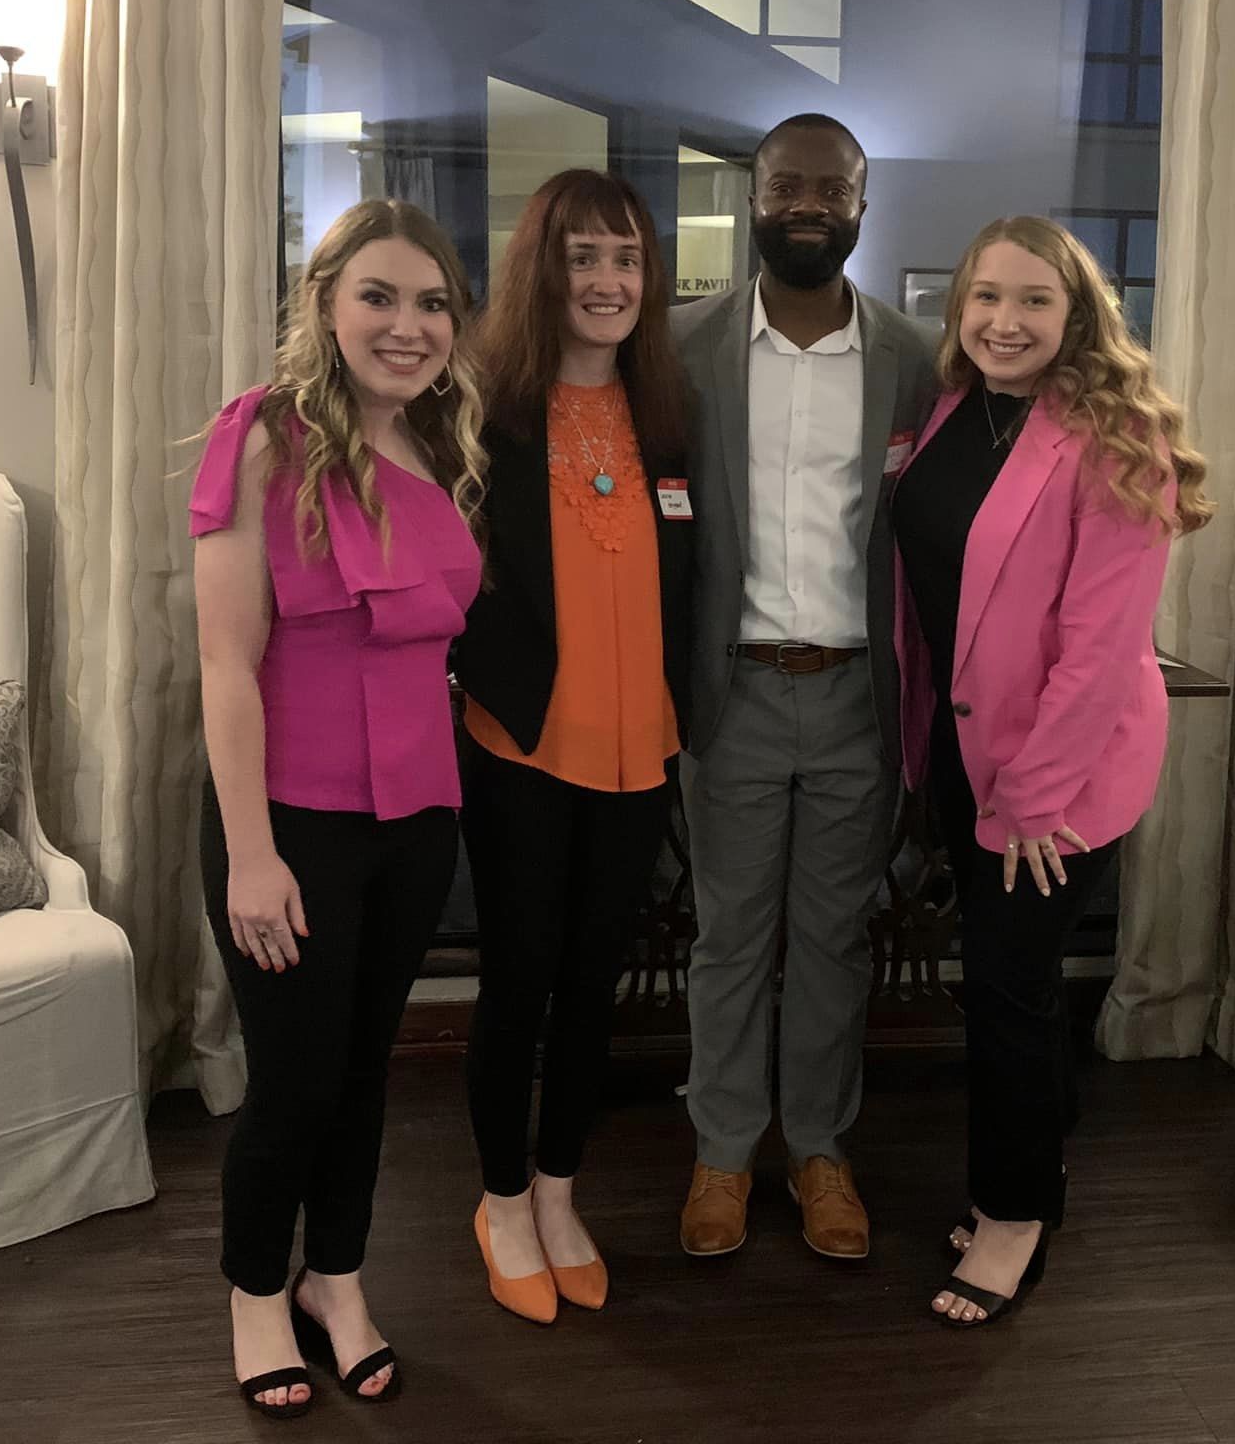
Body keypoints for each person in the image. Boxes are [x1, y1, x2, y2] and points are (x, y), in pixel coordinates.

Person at [190, 199, 486, 1415]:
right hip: (290, 819)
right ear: (325, 303)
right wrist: (250, 855)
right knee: (295, 1079)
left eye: (430, 304)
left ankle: (338, 1279)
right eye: (379, 295)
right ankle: (256, 1293)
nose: (406, 325)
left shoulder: (441, 446)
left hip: (417, 817)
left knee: (366, 1073)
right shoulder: (260, 437)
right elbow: (223, 664)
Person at [892, 216, 1212, 1326]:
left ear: (1076, 315)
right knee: (1003, 987)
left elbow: (1100, 646)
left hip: (1053, 783)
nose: (1002, 320)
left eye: (1031, 300)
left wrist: (1029, 797)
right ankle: (1035, 1181)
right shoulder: (954, 412)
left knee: (1006, 993)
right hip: (958, 749)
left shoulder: (1117, 436)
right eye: (984, 296)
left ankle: (1014, 1218)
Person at [671, 114, 936, 1261]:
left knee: (833, 939)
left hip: (854, 699)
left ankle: (818, 1150)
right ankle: (723, 1155)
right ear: (752, 197)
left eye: (831, 188)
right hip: (725, 694)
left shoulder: (917, 359)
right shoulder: (680, 347)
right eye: (786, 184)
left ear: (862, 207)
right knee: (729, 937)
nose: (806, 204)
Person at [452, 170, 694, 1323]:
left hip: (640, 751)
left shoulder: (668, 417)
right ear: (539, 270)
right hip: (521, 745)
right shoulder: (480, 413)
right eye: (582, 256)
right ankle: (499, 1199)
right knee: (519, 981)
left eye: (627, 259)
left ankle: (558, 1189)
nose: (606, 281)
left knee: (594, 984)